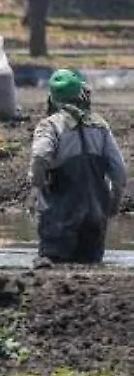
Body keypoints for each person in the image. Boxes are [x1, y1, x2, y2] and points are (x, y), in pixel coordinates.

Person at [29, 69, 127, 264]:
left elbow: (40, 156)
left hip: (60, 220)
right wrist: (114, 203)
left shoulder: (50, 126)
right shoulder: (100, 126)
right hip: (96, 219)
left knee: (51, 269)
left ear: (52, 98)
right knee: (91, 269)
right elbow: (119, 172)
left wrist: (36, 187)